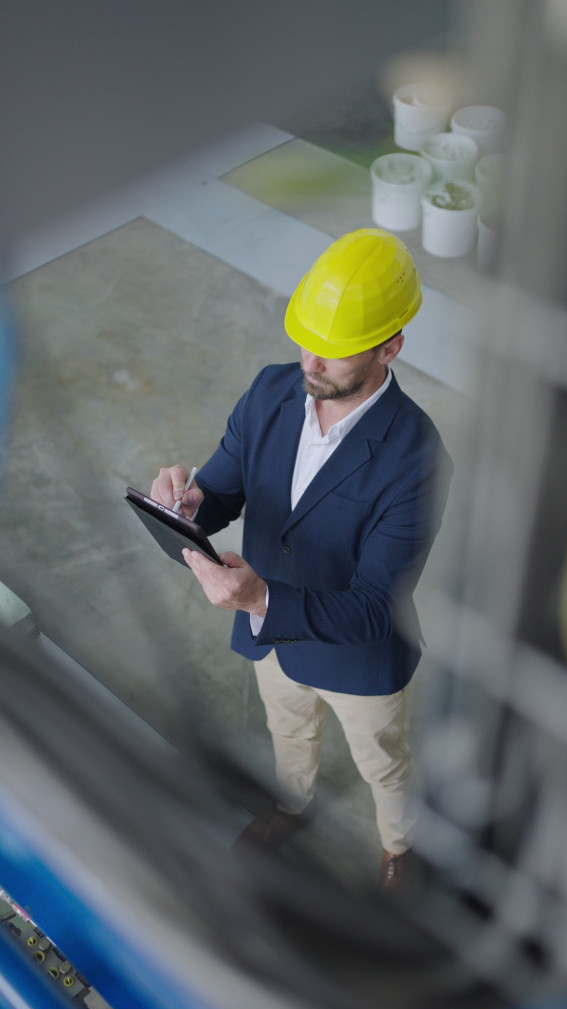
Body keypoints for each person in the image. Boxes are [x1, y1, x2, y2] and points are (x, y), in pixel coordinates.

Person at [150, 229, 452, 889]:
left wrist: (260, 598)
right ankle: (292, 805)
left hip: (357, 657)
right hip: (273, 641)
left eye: (336, 350)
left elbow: (377, 604)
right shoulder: (270, 391)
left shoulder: (418, 459)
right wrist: (185, 505)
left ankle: (398, 847)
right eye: (306, 338)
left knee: (383, 764)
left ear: (390, 346)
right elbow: (224, 491)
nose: (311, 362)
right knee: (288, 733)